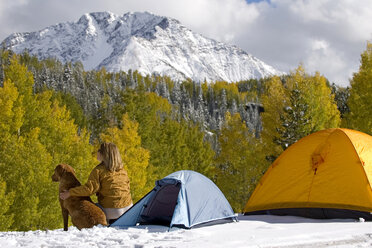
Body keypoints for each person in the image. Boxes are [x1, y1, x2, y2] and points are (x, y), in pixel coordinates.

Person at [60, 142, 133, 224]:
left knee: (84, 208)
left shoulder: (98, 170)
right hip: (129, 209)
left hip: (112, 212)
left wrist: (70, 192)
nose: (97, 152)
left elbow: (88, 190)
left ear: (104, 154)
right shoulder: (123, 170)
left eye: (99, 150)